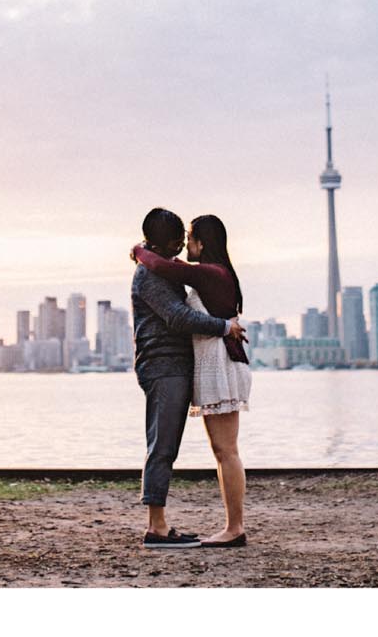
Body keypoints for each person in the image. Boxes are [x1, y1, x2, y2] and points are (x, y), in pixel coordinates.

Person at [132, 214, 251, 547]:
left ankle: (234, 528)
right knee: (167, 446)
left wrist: (140, 250)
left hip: (207, 364)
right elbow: (177, 315)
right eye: (179, 240)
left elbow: (175, 273)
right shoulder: (153, 274)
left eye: (189, 239)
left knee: (222, 449)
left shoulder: (201, 272)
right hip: (165, 366)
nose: (185, 245)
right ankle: (157, 527)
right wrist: (225, 326)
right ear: (168, 243)